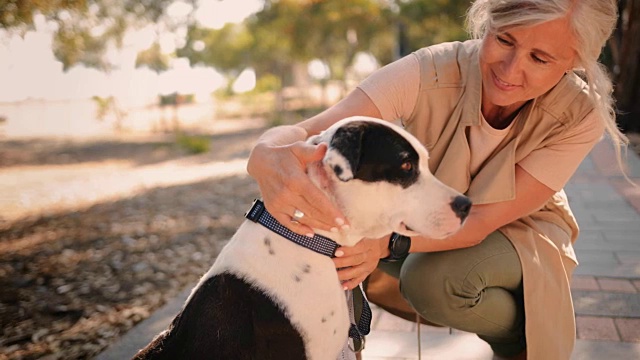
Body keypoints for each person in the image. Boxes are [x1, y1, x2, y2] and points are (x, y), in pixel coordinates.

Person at [246, 0, 627, 359]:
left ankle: (517, 340)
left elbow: (479, 222)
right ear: (488, 24)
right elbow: (315, 131)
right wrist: (265, 152)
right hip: (433, 209)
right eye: (504, 39)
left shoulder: (580, 113)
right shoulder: (429, 69)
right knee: (338, 233)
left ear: (575, 61)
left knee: (433, 281)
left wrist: (384, 244)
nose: (510, 70)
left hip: (519, 229)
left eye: (539, 58)